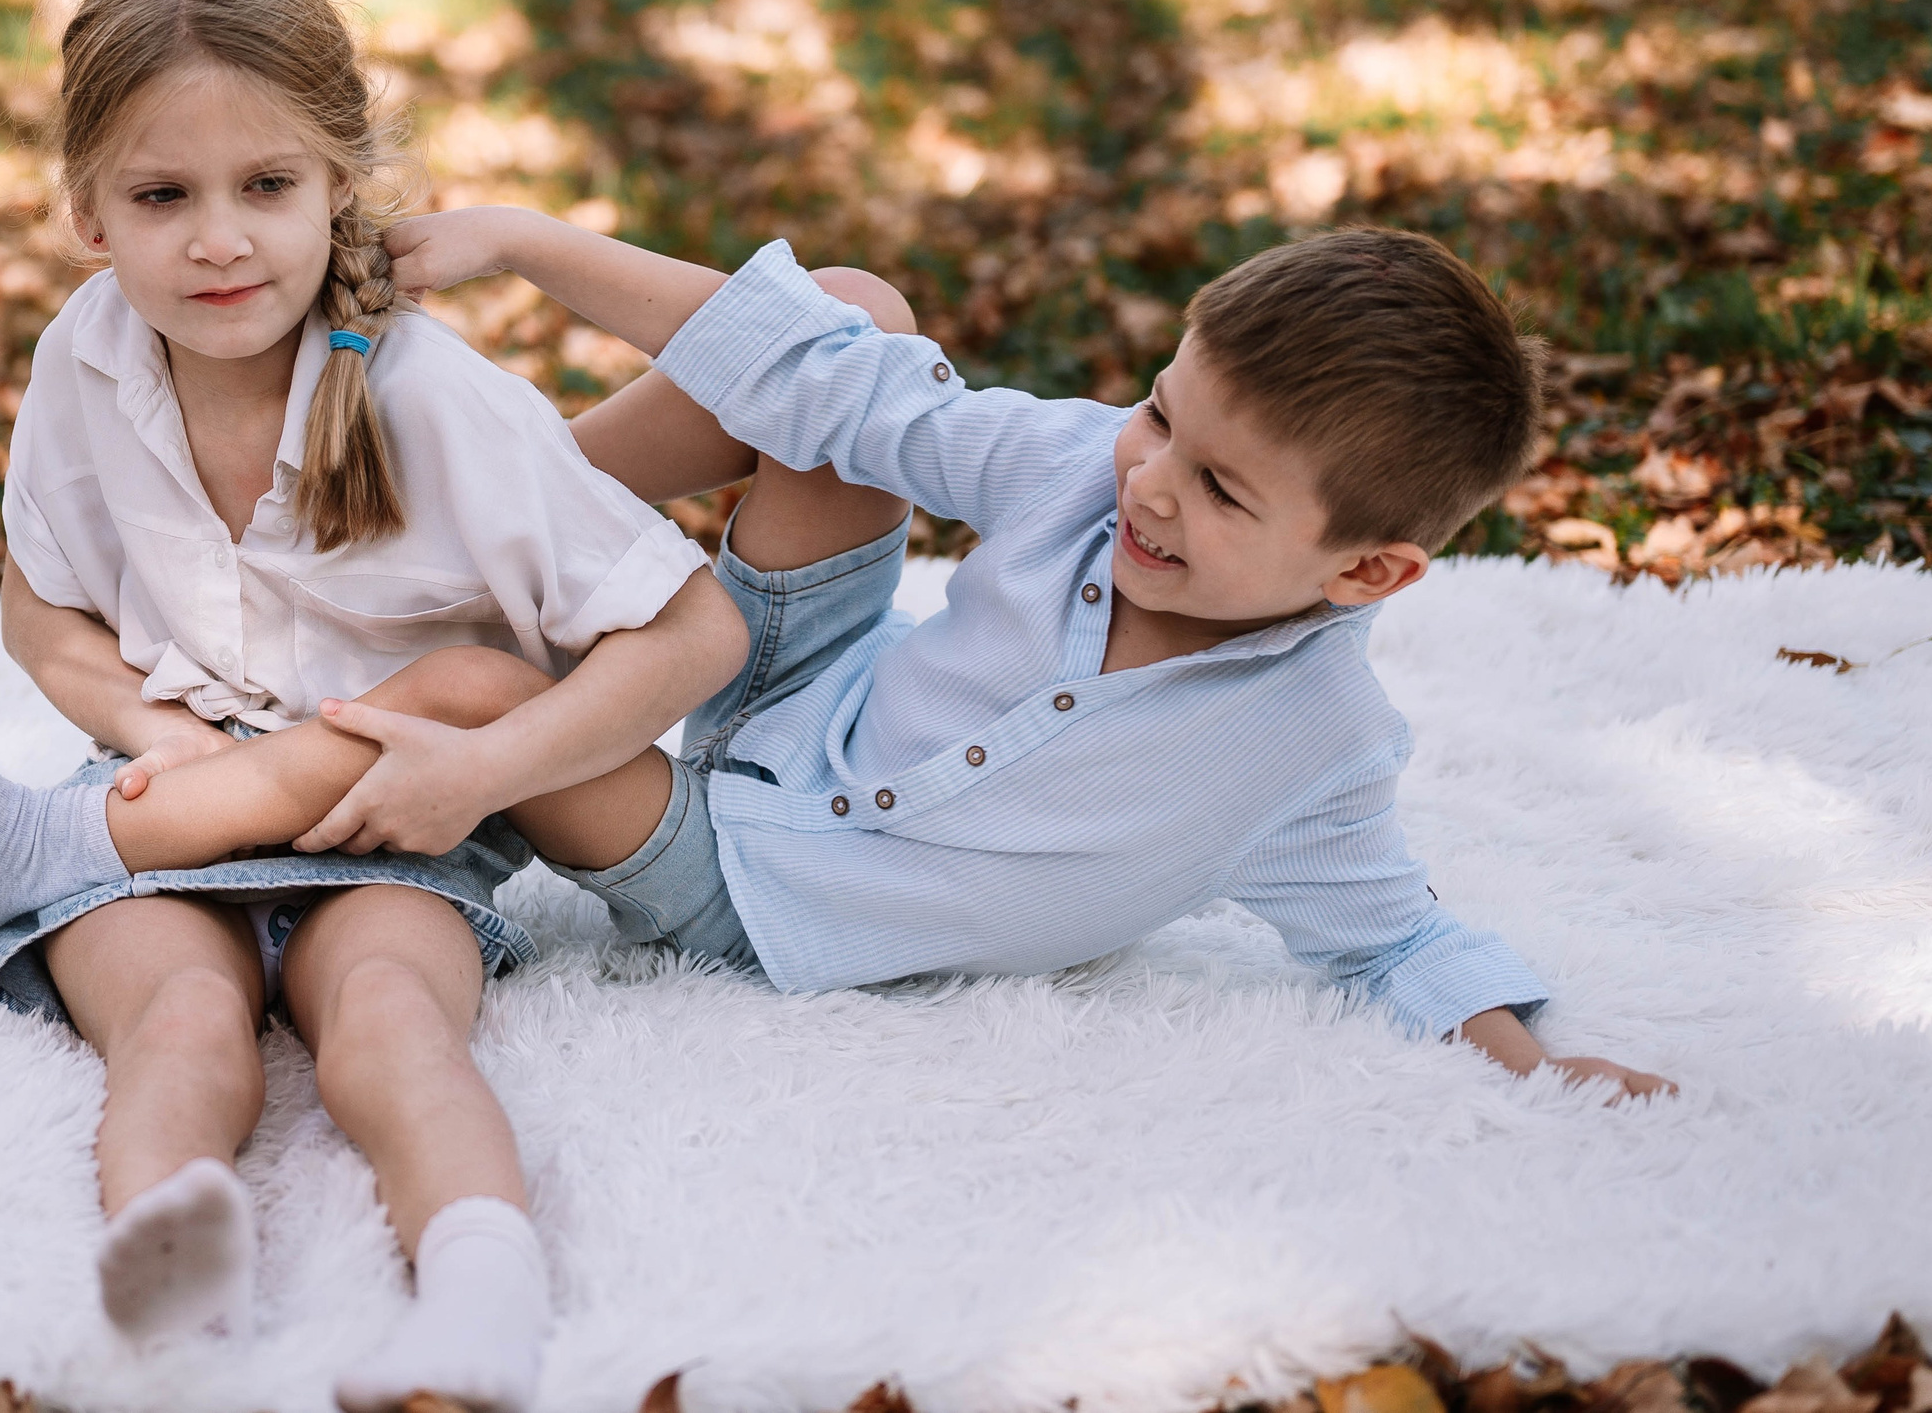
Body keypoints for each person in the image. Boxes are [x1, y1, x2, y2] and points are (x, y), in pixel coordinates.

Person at [88, 210, 1675, 1104]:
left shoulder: (1310, 749)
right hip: (799, 683)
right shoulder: (1080, 467)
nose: (1149, 483)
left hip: (758, 888)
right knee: (856, 311)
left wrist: (1539, 1063)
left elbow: (1395, 944)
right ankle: (480, 530)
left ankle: (169, 808)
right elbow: (821, 373)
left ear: (1372, 569)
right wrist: (519, 241)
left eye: (1220, 488)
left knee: (480, 703)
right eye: (1160, 416)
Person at [0, 0, 747, 1413]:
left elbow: (695, 630)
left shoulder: (430, 399)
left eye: (266, 188)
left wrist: (487, 774)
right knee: (177, 1030)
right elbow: (43, 619)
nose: (218, 242)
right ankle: (181, 1293)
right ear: (86, 215)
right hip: (171, 807)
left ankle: (479, 1293)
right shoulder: (85, 363)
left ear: (337, 188)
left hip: (384, 830)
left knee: (387, 1019)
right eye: (160, 197)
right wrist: (144, 722)